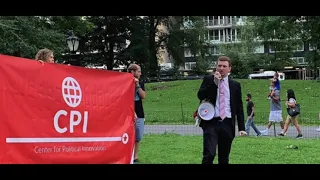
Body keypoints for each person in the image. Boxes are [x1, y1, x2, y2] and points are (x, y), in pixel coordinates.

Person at [197, 56, 246, 164]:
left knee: (224, 158)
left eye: (224, 66)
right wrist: (214, 83)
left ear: (229, 69)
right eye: (219, 66)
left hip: (227, 123)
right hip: (211, 122)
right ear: (216, 67)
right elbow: (200, 95)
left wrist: (241, 128)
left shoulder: (235, 85)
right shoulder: (208, 79)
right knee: (209, 154)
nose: (221, 68)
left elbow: (239, 107)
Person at [127, 64, 146, 163]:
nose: (140, 73)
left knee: (138, 136)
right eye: (138, 71)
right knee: (128, 135)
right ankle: (129, 155)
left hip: (139, 112)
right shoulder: (124, 83)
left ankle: (135, 156)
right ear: (132, 72)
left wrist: (137, 85)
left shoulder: (140, 83)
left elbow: (143, 96)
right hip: (127, 112)